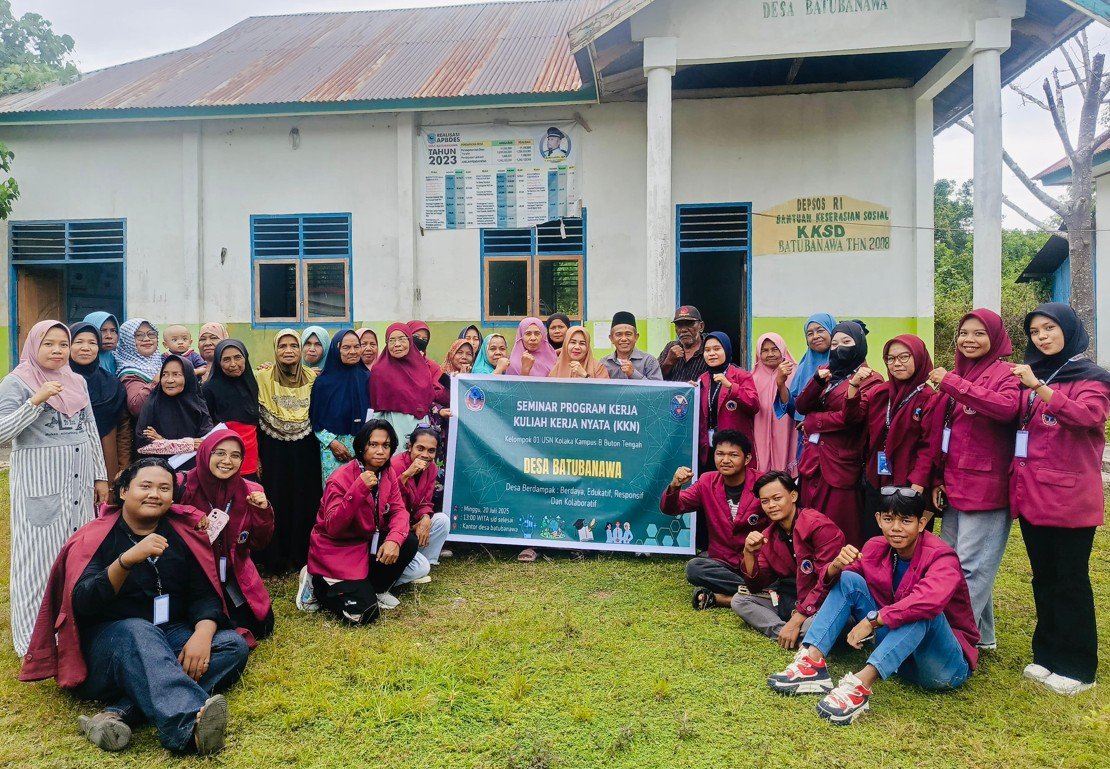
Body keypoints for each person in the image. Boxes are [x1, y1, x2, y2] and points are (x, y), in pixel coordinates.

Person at [21, 458, 250, 754]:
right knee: (139, 631)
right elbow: (83, 604)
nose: (155, 494)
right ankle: (187, 728)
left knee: (231, 645)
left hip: (169, 634)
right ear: (124, 491)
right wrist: (126, 561)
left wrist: (203, 634)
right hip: (110, 647)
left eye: (164, 488)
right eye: (146, 486)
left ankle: (118, 713)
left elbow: (203, 594)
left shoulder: (181, 533)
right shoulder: (95, 537)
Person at [766, 490, 978, 726]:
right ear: (878, 519)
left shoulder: (942, 557)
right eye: (888, 519)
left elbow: (929, 600)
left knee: (921, 609)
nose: (896, 527)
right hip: (900, 658)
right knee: (848, 579)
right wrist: (836, 565)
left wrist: (874, 620)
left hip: (942, 667)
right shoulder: (876, 547)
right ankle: (812, 662)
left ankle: (860, 685)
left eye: (906, 520)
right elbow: (843, 582)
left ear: (922, 523)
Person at [1008, 303, 1110, 695]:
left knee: (1071, 582)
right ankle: (1047, 655)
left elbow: (1088, 417)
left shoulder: (1093, 377)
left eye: (1049, 328)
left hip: (1070, 500)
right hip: (1032, 495)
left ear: (1068, 329)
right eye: (1035, 332)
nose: (1042, 337)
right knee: (1043, 578)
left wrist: (1039, 387)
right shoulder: (1041, 373)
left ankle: (1078, 666)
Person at [1, 320, 109, 656]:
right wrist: (36, 401)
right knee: (38, 562)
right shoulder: (17, 381)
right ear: (34, 345)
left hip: (78, 481)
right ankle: (33, 642)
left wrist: (100, 476)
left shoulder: (75, 380)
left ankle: (71, 635)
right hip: (41, 483)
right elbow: (2, 433)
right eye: (49, 344)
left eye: (63, 344)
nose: (58, 350)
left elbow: (89, 427)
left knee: (76, 558)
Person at [927, 308, 1019, 651]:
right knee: (953, 562)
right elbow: (948, 432)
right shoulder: (961, 373)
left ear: (995, 337)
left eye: (979, 333)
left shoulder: (1007, 373)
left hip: (987, 486)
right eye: (964, 333)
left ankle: (955, 641)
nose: (969, 339)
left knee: (970, 568)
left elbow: (1006, 408)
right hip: (954, 482)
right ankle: (983, 637)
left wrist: (951, 382)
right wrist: (938, 478)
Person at [301, 420, 419, 620]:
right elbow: (333, 528)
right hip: (338, 550)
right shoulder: (339, 479)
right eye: (373, 445)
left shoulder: (387, 472)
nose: (380, 451)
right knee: (365, 614)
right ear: (361, 446)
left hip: (364, 545)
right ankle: (315, 584)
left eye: (386, 445)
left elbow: (399, 511)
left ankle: (376, 589)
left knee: (408, 541)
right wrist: (358, 489)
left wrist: (394, 539)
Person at [844, 334, 941, 541]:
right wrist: (853, 387)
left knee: (909, 541)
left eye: (904, 357)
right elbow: (853, 418)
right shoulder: (880, 393)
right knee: (875, 537)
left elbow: (929, 446)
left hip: (911, 483)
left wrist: (918, 485)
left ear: (919, 357)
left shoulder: (929, 398)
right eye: (890, 358)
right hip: (877, 478)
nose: (897, 364)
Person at [180, 430, 275, 641]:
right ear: (205, 453)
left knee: (262, 626)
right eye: (219, 453)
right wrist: (191, 514)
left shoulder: (250, 490)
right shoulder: (183, 486)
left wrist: (262, 512)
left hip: (232, 573)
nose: (227, 461)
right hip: (194, 576)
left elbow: (260, 543)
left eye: (235, 455)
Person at [795, 320, 882, 547]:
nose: (839, 348)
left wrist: (814, 421)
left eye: (846, 342)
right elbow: (801, 406)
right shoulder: (826, 372)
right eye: (834, 343)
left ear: (860, 344)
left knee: (841, 526)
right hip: (813, 461)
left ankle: (842, 572)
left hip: (841, 463)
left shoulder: (871, 378)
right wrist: (816, 382)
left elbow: (852, 418)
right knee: (810, 520)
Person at [660, 430, 767, 610]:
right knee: (694, 568)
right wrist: (674, 485)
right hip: (723, 561)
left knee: (782, 575)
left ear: (747, 459)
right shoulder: (707, 481)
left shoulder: (763, 482)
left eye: (733, 455)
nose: (725, 460)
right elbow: (672, 508)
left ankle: (724, 597)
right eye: (720, 454)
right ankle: (759, 593)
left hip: (756, 561)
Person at [735, 471, 844, 646]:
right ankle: (787, 634)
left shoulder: (819, 526)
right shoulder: (768, 535)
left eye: (777, 498)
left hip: (824, 600)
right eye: (765, 501)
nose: (771, 505)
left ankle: (798, 632)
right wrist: (749, 553)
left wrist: (797, 619)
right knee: (740, 600)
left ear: (793, 496)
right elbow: (755, 586)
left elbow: (827, 583)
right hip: (791, 598)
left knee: (814, 624)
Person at [256, 329, 321, 574]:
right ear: (275, 350)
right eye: (282, 346)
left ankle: (300, 556)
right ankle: (276, 559)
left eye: (294, 345)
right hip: (273, 451)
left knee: (303, 501)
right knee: (276, 500)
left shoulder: (313, 379)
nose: (288, 350)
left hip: (304, 451)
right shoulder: (261, 378)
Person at [69, 321, 128, 482]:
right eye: (78, 342)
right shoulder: (57, 384)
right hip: (67, 460)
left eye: (93, 343)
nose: (86, 348)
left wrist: (123, 467)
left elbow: (123, 429)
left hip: (106, 458)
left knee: (103, 505)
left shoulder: (112, 384)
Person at [392, 425, 451, 586]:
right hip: (393, 528)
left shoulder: (431, 468)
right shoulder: (395, 465)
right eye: (420, 448)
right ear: (410, 447)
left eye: (431, 451)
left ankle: (425, 562)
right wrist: (407, 474)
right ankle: (400, 574)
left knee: (442, 520)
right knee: (419, 569)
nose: (425, 455)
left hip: (411, 524)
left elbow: (425, 501)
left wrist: (425, 517)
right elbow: (388, 502)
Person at [309, 330, 370, 484]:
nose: (353, 352)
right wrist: (333, 443)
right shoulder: (323, 383)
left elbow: (374, 415)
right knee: (336, 495)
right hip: (333, 450)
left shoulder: (367, 378)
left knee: (363, 495)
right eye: (346, 347)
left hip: (365, 447)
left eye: (357, 347)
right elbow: (314, 421)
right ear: (336, 349)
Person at [778, 313, 837, 462]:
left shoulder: (843, 364)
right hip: (807, 438)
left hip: (835, 437)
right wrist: (781, 383)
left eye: (820, 330)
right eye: (810, 333)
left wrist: (814, 421)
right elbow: (793, 408)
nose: (815, 336)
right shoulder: (803, 368)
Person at [135, 356, 214, 465]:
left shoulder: (198, 404)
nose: (169, 380)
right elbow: (144, 446)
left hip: (194, 471)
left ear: (188, 377)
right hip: (158, 470)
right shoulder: (152, 404)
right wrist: (188, 444)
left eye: (176, 374)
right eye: (164, 374)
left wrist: (163, 442)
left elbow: (207, 444)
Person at [696, 332, 758, 473]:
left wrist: (731, 386)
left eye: (717, 349)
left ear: (727, 349)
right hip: (709, 447)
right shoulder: (702, 379)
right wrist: (690, 391)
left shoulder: (741, 375)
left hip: (733, 447)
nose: (711, 353)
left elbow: (754, 405)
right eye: (707, 350)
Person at [201, 340, 260, 480]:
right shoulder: (209, 389)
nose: (233, 364)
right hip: (223, 459)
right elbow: (205, 427)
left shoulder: (252, 384)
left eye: (238, 357)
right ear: (218, 362)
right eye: (226, 359)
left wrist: (258, 458)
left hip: (250, 458)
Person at [371, 322, 440, 442]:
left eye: (402, 339)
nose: (397, 344)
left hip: (421, 428)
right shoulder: (379, 370)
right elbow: (376, 408)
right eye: (392, 340)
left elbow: (429, 398)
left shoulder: (422, 368)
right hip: (392, 428)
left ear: (410, 342)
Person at [751, 333, 797, 475]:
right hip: (760, 428)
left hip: (788, 428)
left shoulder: (795, 373)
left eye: (775, 349)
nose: (770, 354)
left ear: (782, 350)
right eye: (764, 350)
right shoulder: (752, 377)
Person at [115, 318, 164, 418]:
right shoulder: (130, 372)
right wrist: (156, 381)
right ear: (127, 341)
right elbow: (136, 407)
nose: (146, 339)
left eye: (151, 334)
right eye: (139, 335)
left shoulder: (162, 362)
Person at [600, 311, 662, 380]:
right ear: (611, 338)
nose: (623, 339)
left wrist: (633, 374)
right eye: (619, 334)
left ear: (636, 337)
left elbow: (657, 389)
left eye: (628, 334)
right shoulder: (604, 363)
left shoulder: (649, 361)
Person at [657, 305, 708, 382]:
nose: (683, 330)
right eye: (679, 325)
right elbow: (654, 380)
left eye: (689, 324)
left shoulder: (709, 348)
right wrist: (669, 362)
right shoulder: (670, 347)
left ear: (701, 326)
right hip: (672, 394)